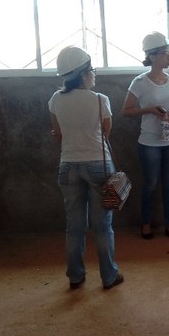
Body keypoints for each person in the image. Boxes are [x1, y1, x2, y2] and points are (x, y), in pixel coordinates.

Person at [48, 46, 123, 290]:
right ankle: (109, 276)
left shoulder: (55, 99)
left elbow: (58, 133)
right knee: (103, 226)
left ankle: (75, 276)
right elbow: (106, 132)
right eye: (91, 69)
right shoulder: (100, 100)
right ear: (82, 74)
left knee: (74, 227)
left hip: (68, 165)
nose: (94, 73)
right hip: (98, 165)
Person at [122, 32, 169, 240]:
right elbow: (126, 110)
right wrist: (149, 110)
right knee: (150, 183)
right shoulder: (140, 82)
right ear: (152, 56)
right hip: (149, 141)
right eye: (165, 53)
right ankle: (146, 223)